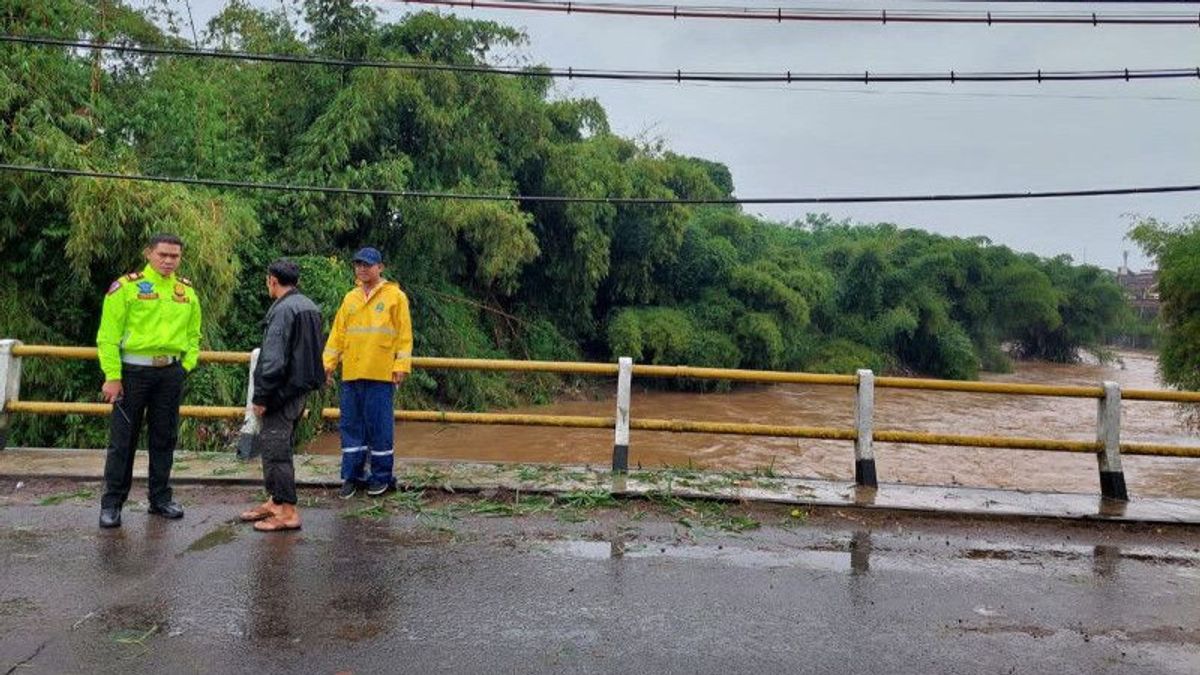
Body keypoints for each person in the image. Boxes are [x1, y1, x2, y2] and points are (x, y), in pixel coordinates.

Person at [96, 233, 201, 529]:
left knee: (164, 437)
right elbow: (108, 336)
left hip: (170, 373)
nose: (169, 261)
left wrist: (186, 366)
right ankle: (112, 504)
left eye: (175, 256)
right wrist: (112, 376)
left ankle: (160, 499)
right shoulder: (126, 288)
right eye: (163, 255)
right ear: (148, 254)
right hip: (132, 373)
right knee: (122, 441)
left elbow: (194, 335)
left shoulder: (186, 291)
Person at [239, 260, 325, 532]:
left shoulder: (283, 310)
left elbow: (273, 360)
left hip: (282, 392)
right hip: (299, 389)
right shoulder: (309, 305)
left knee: (277, 451)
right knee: (277, 445)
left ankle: (287, 511)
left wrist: (262, 397)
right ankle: (276, 501)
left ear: (272, 281)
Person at [322, 247, 413, 498]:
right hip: (352, 373)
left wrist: (400, 367)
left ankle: (381, 477)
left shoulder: (395, 297)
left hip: (381, 374)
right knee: (351, 426)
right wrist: (327, 365)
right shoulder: (350, 298)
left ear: (380, 267)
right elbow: (337, 336)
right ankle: (352, 477)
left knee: (379, 427)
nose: (362, 268)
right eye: (358, 264)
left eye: (367, 265)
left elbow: (404, 336)